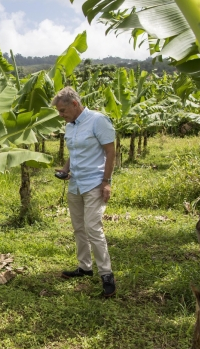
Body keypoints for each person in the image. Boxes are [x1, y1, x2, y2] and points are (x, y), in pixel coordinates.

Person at [52, 87, 117, 297]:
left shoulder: (98, 121)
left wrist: (106, 182)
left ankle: (107, 276)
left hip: (94, 184)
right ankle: (85, 267)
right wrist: (65, 169)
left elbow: (110, 151)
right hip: (76, 184)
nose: (61, 115)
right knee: (79, 227)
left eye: (63, 110)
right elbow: (74, 152)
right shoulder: (70, 126)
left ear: (74, 104)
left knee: (93, 228)